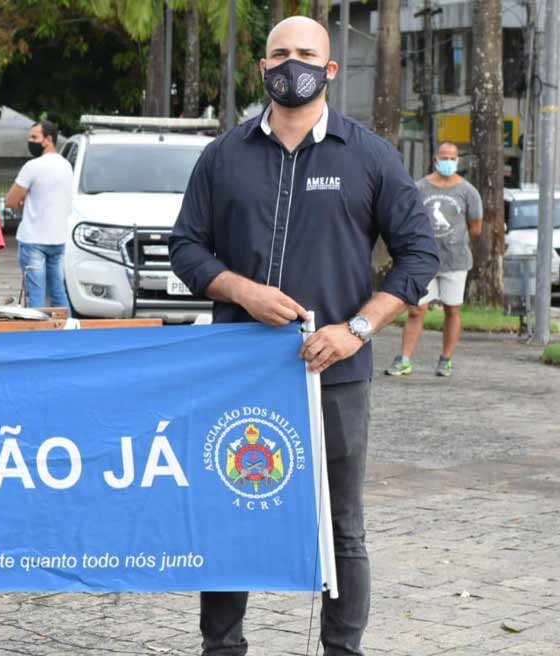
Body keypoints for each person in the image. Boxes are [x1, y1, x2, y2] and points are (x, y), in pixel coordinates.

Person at [169, 17, 438, 656]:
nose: (294, 63)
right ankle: (223, 646)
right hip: (237, 370)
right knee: (231, 515)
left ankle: (342, 649)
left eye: (307, 54)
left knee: (341, 526)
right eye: (281, 53)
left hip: (335, 374)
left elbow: (418, 254)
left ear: (331, 69)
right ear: (262, 68)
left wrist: (359, 329)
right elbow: (186, 248)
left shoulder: (369, 155)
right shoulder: (223, 155)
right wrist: (241, 290)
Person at [386, 142, 482, 378]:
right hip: (424, 260)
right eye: (444, 157)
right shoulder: (420, 188)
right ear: (436, 160)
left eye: (452, 157)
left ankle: (446, 360)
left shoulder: (468, 191)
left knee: (452, 309)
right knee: (417, 309)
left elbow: (476, 227)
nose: (448, 161)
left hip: (455, 261)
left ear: (458, 160)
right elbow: (409, 219)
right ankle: (405, 359)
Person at [5, 120, 73, 309]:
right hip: (58, 239)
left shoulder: (32, 166)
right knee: (58, 293)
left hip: (33, 240)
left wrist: (25, 198)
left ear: (48, 139)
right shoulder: (67, 166)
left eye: (34, 137)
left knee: (35, 297)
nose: (30, 141)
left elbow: (11, 200)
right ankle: (67, 332)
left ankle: (37, 335)